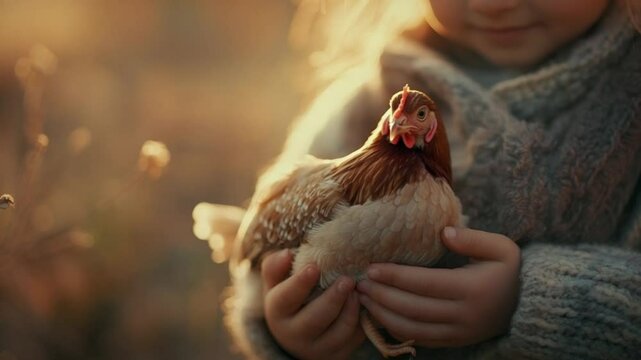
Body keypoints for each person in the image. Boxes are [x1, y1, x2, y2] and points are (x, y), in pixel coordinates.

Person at [225, 0, 641, 358]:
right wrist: (284, 333)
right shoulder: (365, 101)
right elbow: (264, 254)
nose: (492, 3)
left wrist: (530, 298)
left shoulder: (629, 106)